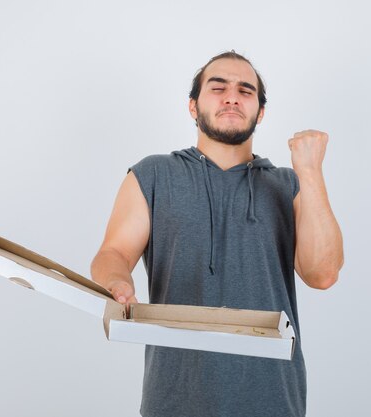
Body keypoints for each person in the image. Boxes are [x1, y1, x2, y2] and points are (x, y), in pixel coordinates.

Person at [91, 50, 344, 417]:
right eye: (218, 87)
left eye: (245, 90)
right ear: (193, 106)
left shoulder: (289, 184)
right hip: (175, 399)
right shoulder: (153, 175)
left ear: (260, 112)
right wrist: (117, 284)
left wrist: (310, 171)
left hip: (274, 399)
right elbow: (112, 253)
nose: (231, 97)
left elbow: (323, 273)